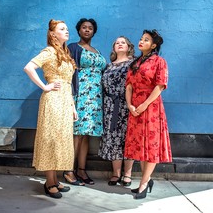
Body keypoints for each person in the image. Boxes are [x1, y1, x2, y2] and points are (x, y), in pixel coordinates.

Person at [23, 19, 78, 199]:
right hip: (53, 100)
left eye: (67, 28)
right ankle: (49, 181)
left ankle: (54, 179)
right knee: (51, 138)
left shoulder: (64, 52)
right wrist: (45, 87)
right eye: (62, 29)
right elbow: (29, 67)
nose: (67, 31)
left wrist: (72, 106)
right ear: (53, 34)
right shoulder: (49, 51)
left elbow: (68, 83)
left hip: (64, 99)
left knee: (60, 139)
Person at [124, 29, 172, 199]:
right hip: (135, 109)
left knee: (151, 146)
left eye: (146, 40)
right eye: (141, 39)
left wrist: (144, 104)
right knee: (141, 147)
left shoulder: (160, 62)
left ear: (153, 45)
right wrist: (130, 105)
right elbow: (129, 85)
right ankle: (146, 180)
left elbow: (160, 86)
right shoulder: (135, 63)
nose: (141, 41)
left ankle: (144, 183)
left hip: (151, 107)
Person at [63, 18, 106, 185]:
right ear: (79, 30)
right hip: (80, 95)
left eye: (90, 28)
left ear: (93, 32)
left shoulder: (97, 51)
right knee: (77, 134)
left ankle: (81, 170)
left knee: (86, 135)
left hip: (95, 98)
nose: (87, 30)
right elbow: (66, 71)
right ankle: (68, 170)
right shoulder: (73, 48)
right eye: (84, 27)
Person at [98, 36, 135, 186]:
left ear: (128, 47)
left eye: (123, 42)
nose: (120, 44)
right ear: (114, 48)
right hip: (110, 106)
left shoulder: (133, 64)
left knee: (128, 138)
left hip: (127, 105)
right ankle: (116, 173)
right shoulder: (108, 66)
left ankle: (128, 174)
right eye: (117, 43)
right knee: (113, 138)